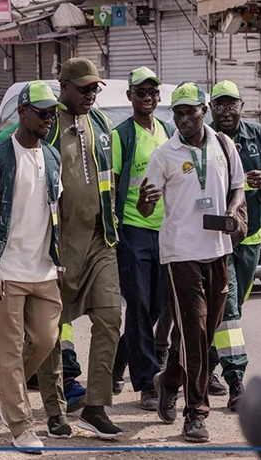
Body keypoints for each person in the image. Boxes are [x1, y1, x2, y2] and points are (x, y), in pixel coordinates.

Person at [140, 81, 246, 443]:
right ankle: (196, 414)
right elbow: (145, 205)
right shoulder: (164, 154)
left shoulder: (224, 144)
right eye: (178, 113)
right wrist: (146, 199)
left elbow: (238, 186)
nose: (184, 119)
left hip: (218, 250)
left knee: (201, 335)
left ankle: (169, 380)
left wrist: (233, 210)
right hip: (181, 254)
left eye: (190, 111)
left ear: (204, 110)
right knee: (195, 333)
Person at [27, 57, 124, 441]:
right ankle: (55, 411)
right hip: (58, 246)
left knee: (110, 318)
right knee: (51, 333)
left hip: (101, 240)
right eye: (83, 88)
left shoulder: (100, 124)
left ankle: (96, 407)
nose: (90, 95)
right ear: (62, 86)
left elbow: (108, 180)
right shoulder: (48, 124)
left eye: (94, 88)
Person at [0, 80, 66, 453]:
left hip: (43, 270)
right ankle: (21, 425)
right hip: (6, 271)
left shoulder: (53, 158)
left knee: (46, 338)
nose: (48, 119)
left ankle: (2, 388)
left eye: (52, 113)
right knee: (9, 350)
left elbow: (53, 214)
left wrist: (59, 260)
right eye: (42, 112)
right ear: (22, 113)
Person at [205, 80, 261, 410]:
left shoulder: (260, 136)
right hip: (217, 238)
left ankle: (205, 366)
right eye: (220, 105)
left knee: (233, 306)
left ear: (242, 106)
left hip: (251, 236)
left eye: (232, 104)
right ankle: (234, 378)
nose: (226, 111)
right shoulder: (206, 138)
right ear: (211, 109)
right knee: (228, 309)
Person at [109, 66, 176, 411]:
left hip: (165, 232)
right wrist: (113, 228)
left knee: (157, 306)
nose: (147, 98)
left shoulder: (167, 131)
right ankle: (148, 382)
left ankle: (118, 362)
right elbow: (114, 184)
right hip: (133, 231)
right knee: (137, 306)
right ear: (130, 97)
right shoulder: (122, 135)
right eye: (141, 92)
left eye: (152, 92)